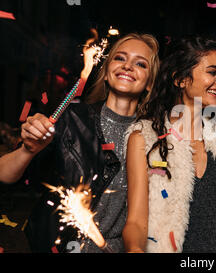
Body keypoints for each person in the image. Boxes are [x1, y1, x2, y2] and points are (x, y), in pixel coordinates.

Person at [0, 33, 159, 253]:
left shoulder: (153, 138)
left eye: (140, 63)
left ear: (150, 83)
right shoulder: (72, 119)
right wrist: (27, 150)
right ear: (105, 73)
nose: (128, 66)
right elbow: (4, 176)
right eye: (120, 58)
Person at [122, 36, 216, 253]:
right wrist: (134, 248)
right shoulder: (144, 137)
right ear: (180, 79)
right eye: (212, 72)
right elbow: (135, 222)